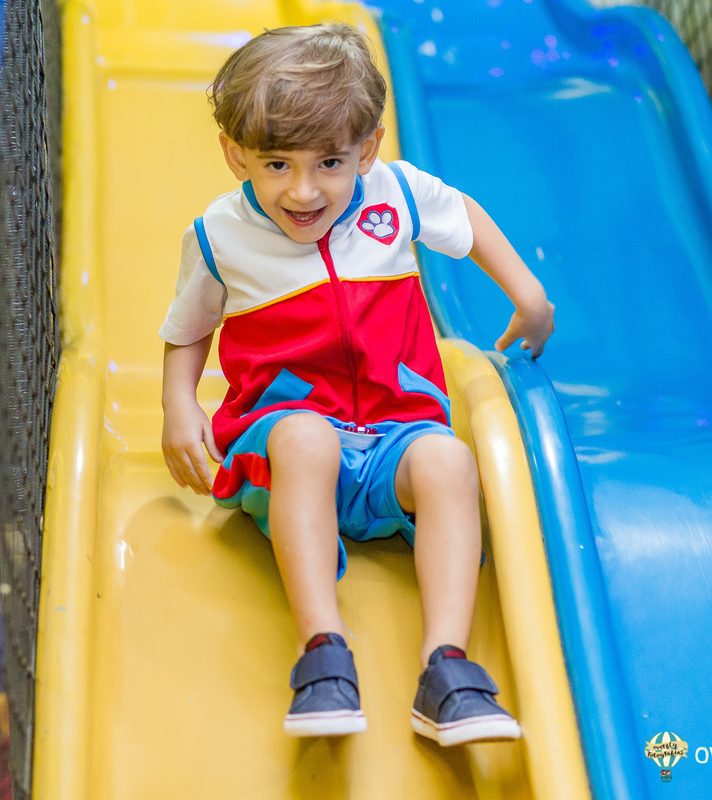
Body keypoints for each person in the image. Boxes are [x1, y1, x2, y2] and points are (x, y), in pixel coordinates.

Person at [159, 23, 554, 747]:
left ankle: (447, 670)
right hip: (281, 447)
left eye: (330, 163)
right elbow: (187, 329)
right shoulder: (221, 234)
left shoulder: (395, 194)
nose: (302, 190)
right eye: (275, 164)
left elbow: (461, 215)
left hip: (394, 441)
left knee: (450, 460)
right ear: (234, 154)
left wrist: (527, 295)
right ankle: (324, 655)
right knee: (306, 437)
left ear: (368, 149)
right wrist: (179, 406)